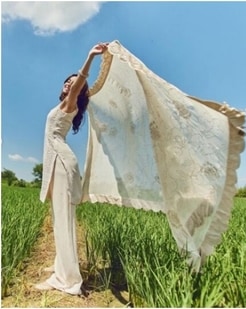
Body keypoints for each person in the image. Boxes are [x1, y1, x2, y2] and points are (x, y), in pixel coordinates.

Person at [34, 42, 109, 295]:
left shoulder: (70, 103)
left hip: (62, 164)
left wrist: (90, 57)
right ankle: (62, 265)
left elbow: (80, 82)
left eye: (74, 83)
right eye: (67, 81)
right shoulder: (64, 105)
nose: (69, 83)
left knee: (64, 220)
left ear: (79, 90)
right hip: (59, 163)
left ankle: (67, 279)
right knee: (59, 219)